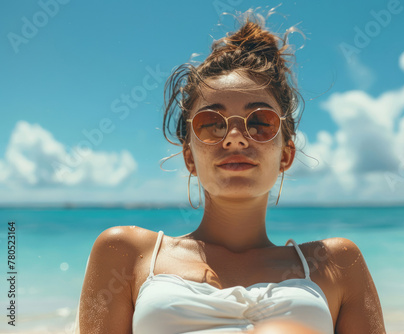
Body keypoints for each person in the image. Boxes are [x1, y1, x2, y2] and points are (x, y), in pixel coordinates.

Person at [76, 10, 386, 334]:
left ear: (286, 154)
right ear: (189, 158)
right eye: (211, 125)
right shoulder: (126, 254)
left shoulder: (336, 263)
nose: (235, 137)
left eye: (259, 123)